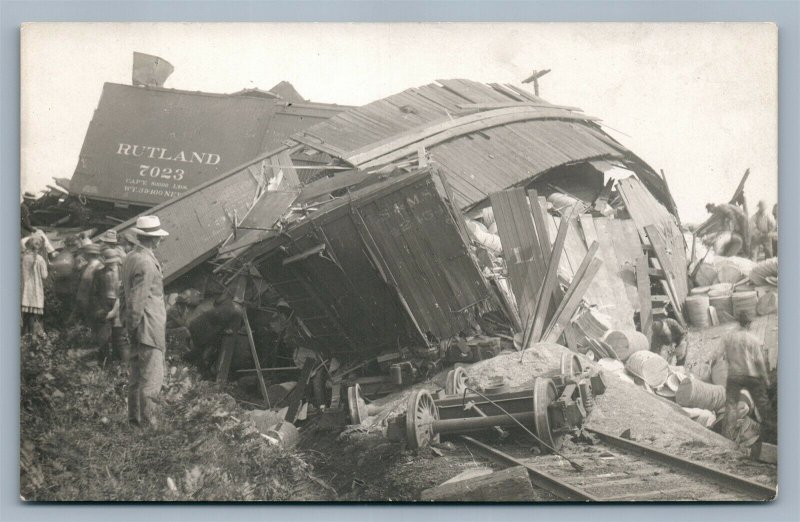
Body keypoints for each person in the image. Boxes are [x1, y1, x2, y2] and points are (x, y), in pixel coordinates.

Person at [119, 215, 169, 428]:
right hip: (148, 327)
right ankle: (149, 428)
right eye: (158, 237)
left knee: (137, 378)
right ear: (153, 239)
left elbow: (124, 294)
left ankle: (135, 422)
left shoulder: (131, 257)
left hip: (138, 326)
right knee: (151, 381)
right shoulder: (147, 262)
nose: (159, 241)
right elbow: (138, 299)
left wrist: (127, 323)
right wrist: (133, 325)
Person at [723, 313, 775, 445]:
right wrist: (766, 379)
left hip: (734, 376)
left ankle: (726, 437)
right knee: (764, 407)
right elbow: (760, 362)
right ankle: (771, 437)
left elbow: (722, 356)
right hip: (751, 377)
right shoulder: (753, 339)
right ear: (748, 324)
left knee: (731, 405)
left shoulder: (730, 338)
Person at [92, 249, 123, 359]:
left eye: (113, 262)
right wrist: (99, 309)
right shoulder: (99, 273)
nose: (111, 264)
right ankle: (105, 360)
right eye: (109, 262)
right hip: (104, 303)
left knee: (118, 333)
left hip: (119, 303)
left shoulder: (122, 271)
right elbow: (94, 294)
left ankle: (118, 361)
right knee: (103, 334)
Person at [21, 236, 48, 338]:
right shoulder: (40, 259)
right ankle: (33, 336)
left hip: (25, 289)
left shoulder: (24, 257)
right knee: (33, 315)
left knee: (26, 314)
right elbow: (44, 276)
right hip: (35, 290)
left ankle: (25, 334)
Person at [73, 243, 104, 323]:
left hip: (92, 300)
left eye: (85, 253)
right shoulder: (86, 266)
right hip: (84, 299)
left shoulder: (99, 267)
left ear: (89, 254)